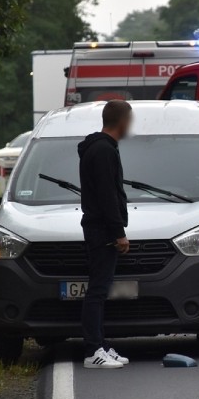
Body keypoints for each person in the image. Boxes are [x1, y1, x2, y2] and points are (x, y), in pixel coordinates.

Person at [77, 100, 133, 369]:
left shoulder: (102, 148)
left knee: (101, 289)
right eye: (130, 121)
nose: (130, 127)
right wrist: (118, 232)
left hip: (100, 228)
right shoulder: (102, 151)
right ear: (122, 122)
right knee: (97, 291)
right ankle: (92, 351)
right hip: (102, 230)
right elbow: (107, 195)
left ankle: (99, 343)